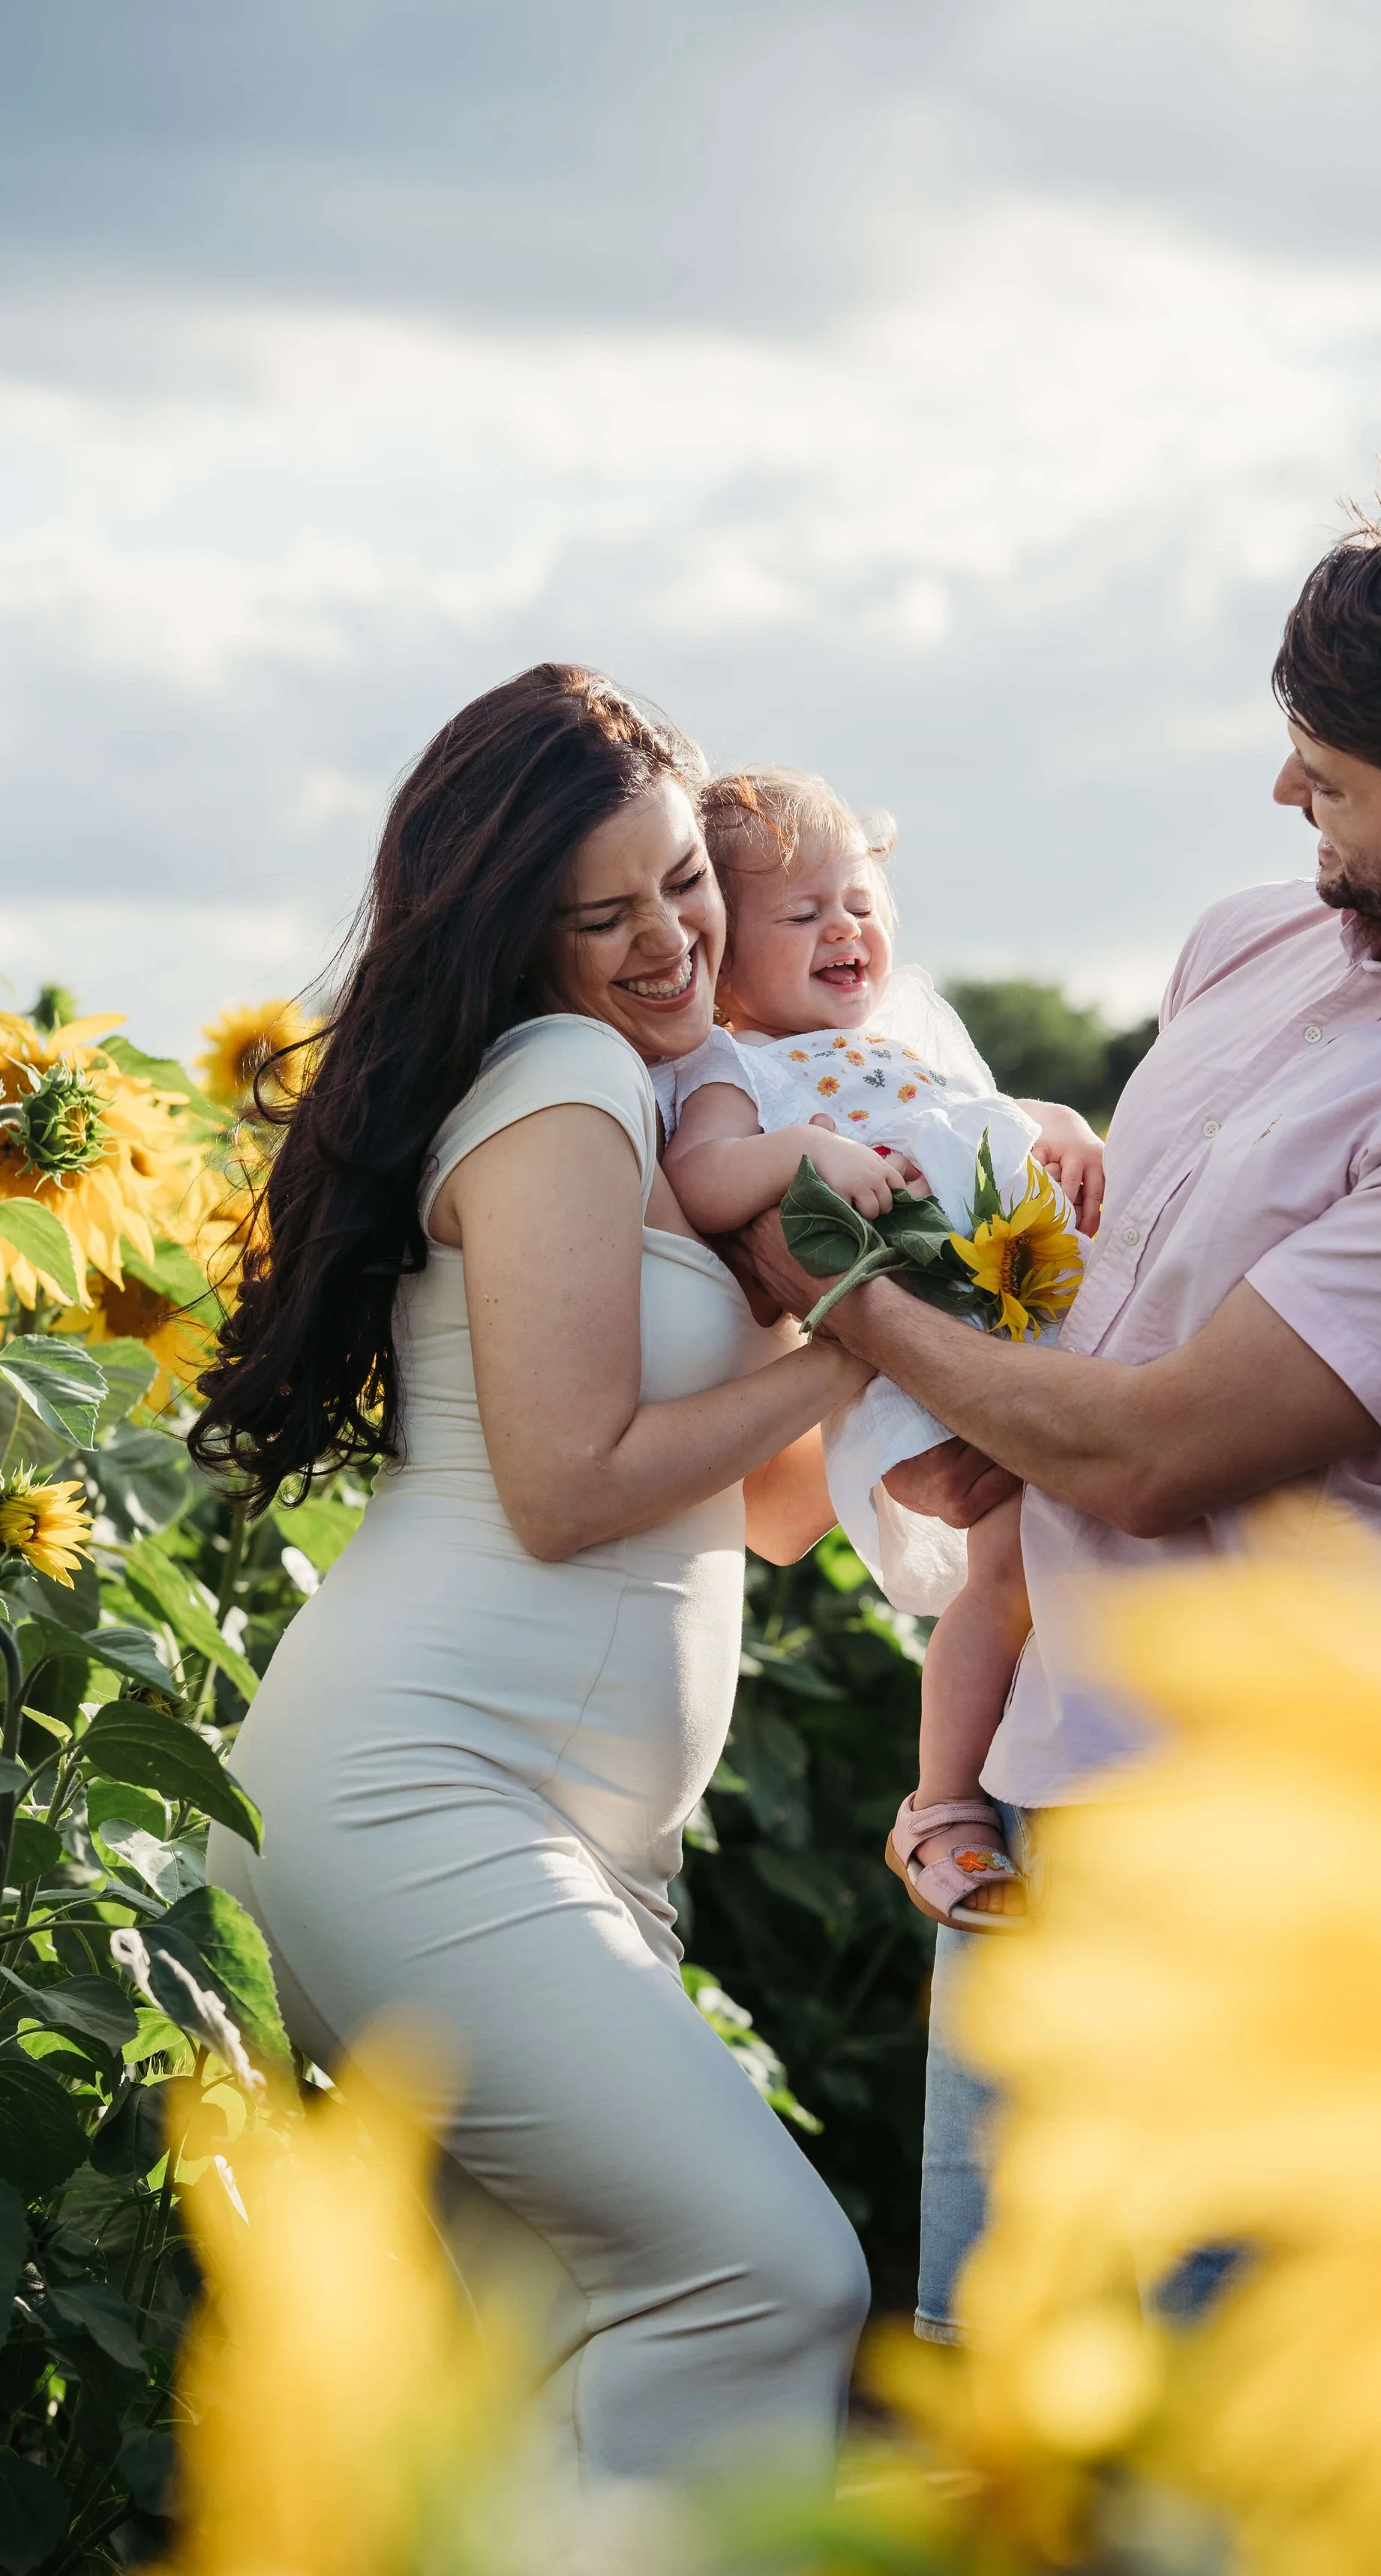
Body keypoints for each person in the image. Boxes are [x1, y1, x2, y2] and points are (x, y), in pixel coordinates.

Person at [739, 491, 1381, 2343]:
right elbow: (1115, 1316)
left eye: (1322, 780)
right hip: (1040, 1804)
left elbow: (1157, 1454)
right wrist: (997, 1429)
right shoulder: (1250, 948)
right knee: (983, 2406)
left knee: (1183, 2494)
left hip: (1269, 1863)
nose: (1279, 804)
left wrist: (828, 1275)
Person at [191, 664, 872, 2470]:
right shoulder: (563, 1081)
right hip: (426, 1798)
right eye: (604, 914)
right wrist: (857, 1348)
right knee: (773, 2276)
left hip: (556, 1835)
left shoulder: (664, 1114)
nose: (666, 943)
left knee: (544, 2382)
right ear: (513, 930)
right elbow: (567, 1491)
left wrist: (875, 1284)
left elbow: (775, 1514)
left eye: (682, 884)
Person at [658, 763, 1103, 1933]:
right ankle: (943, 1806)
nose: (844, 927)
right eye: (800, 915)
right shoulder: (735, 1069)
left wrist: (1065, 1128)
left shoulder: (913, 1032)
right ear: (720, 958)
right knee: (1009, 1553)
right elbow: (702, 1180)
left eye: (857, 898)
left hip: (1018, 1330)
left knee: (1080, 1537)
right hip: (906, 1378)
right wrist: (805, 1151)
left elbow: (989, 1123)